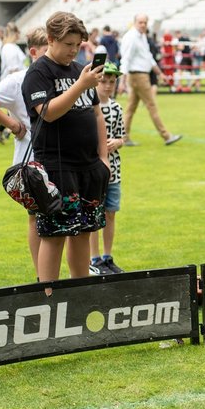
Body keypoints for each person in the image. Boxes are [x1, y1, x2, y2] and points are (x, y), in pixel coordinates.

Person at [21, 11, 110, 288]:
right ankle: (48, 294)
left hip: (89, 166)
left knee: (83, 231)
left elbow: (96, 114)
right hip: (57, 167)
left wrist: (103, 157)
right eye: (68, 44)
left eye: (78, 45)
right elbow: (47, 113)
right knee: (54, 233)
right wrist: (80, 85)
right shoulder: (38, 72)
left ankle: (79, 292)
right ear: (50, 39)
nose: (74, 51)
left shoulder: (79, 69)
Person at [0, 27, 49, 275]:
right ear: (34, 52)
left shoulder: (59, 78)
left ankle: (57, 276)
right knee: (36, 217)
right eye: (48, 51)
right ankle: (42, 275)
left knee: (63, 218)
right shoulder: (19, 80)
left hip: (61, 157)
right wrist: (12, 124)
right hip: (32, 161)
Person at [120, 14, 180, 146]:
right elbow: (126, 59)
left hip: (140, 74)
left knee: (131, 108)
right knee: (151, 106)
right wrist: (122, 81)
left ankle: (123, 137)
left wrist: (160, 74)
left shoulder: (141, 37)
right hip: (138, 75)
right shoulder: (131, 37)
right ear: (135, 22)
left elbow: (148, 57)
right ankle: (166, 136)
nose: (143, 25)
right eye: (140, 22)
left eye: (145, 23)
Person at [89, 62, 126, 275]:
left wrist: (117, 143)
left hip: (114, 169)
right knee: (95, 213)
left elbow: (122, 135)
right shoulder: (88, 107)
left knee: (110, 213)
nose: (108, 85)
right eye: (104, 81)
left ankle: (107, 256)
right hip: (94, 169)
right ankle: (94, 258)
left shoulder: (116, 108)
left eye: (112, 81)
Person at [0, 22, 28, 144]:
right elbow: (13, 68)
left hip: (16, 81)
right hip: (14, 83)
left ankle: (2, 129)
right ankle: (6, 129)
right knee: (18, 111)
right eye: (18, 33)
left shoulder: (11, 46)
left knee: (15, 111)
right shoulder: (9, 47)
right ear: (15, 33)